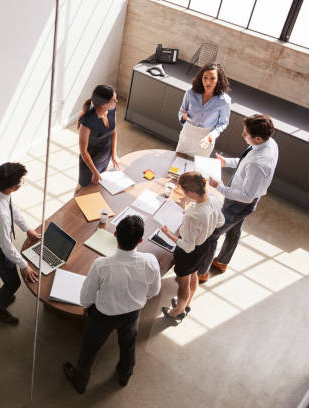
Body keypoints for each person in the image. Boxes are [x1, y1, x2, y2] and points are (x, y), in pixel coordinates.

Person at [63, 215, 160, 393]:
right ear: (140, 240)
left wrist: (89, 306)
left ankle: (80, 380)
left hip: (102, 316)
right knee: (128, 344)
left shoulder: (101, 265)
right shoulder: (151, 261)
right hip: (132, 314)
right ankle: (125, 374)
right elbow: (154, 291)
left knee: (90, 348)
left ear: (115, 234)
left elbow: (85, 298)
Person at [196, 114, 279, 283]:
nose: (242, 134)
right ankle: (221, 262)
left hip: (239, 204)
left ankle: (201, 272)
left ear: (257, 138)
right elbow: (245, 163)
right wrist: (226, 162)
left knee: (212, 234)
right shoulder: (269, 143)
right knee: (234, 230)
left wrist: (218, 187)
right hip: (242, 201)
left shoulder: (259, 163)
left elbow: (246, 196)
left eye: (245, 133)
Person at [0, 162, 40, 325]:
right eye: (21, 181)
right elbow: (6, 246)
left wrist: (27, 228)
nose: (22, 182)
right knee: (14, 282)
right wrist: (24, 265)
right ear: (14, 187)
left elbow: (12, 208)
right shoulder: (0, 216)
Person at [160, 172, 224, 320]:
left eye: (183, 190)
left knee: (183, 284)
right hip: (204, 246)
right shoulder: (213, 201)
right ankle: (187, 303)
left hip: (189, 253)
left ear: (190, 192)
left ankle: (178, 311)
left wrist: (168, 234)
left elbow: (187, 246)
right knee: (193, 275)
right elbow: (220, 222)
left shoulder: (192, 215)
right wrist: (203, 226)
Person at [176, 63, 231, 157]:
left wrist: (212, 136)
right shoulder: (191, 92)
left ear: (218, 80)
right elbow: (182, 111)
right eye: (205, 77)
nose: (208, 82)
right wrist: (183, 117)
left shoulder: (224, 101)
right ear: (201, 77)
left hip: (205, 138)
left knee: (196, 169)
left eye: (212, 78)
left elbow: (223, 123)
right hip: (188, 133)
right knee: (176, 165)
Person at [74, 85, 120, 196]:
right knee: (82, 187)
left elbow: (113, 131)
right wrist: (94, 172)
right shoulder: (88, 122)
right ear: (104, 103)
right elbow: (84, 152)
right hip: (90, 162)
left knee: (96, 188)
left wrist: (113, 154)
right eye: (113, 100)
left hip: (105, 157)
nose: (116, 101)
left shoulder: (111, 110)